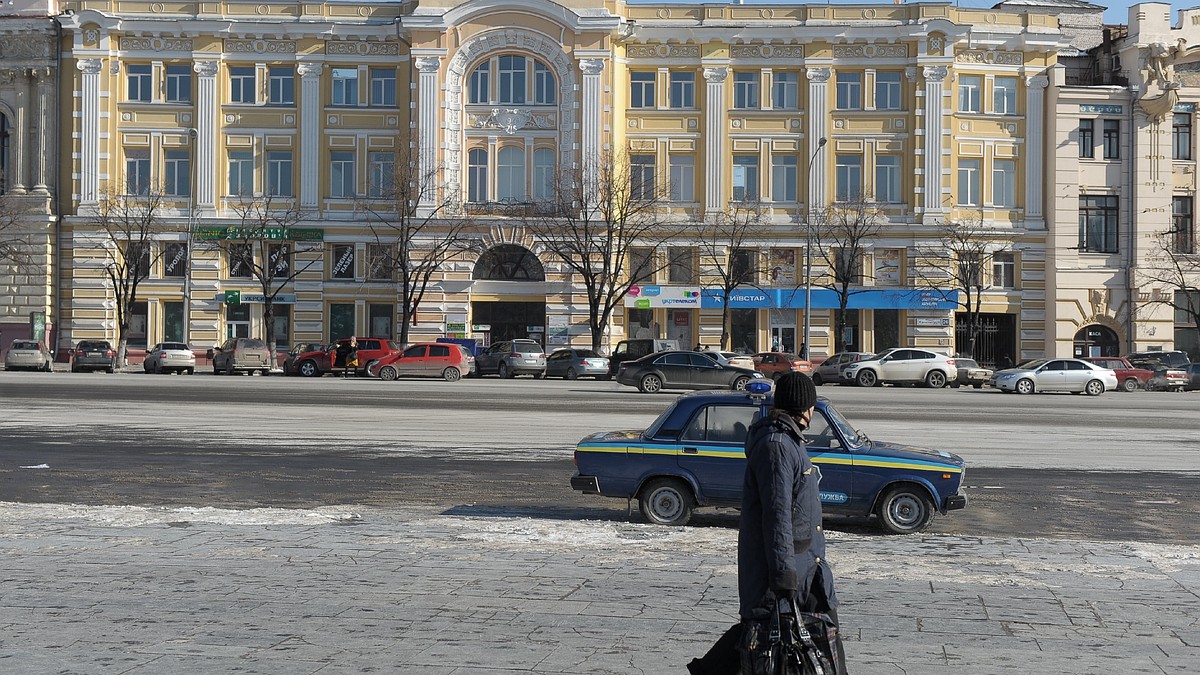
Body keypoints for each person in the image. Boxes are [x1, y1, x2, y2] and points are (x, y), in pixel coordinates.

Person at [688, 372, 845, 675]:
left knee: (821, 639)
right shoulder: (777, 446)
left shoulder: (789, 441)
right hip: (785, 569)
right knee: (761, 637)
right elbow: (777, 515)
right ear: (805, 408)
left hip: (807, 567)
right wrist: (784, 576)